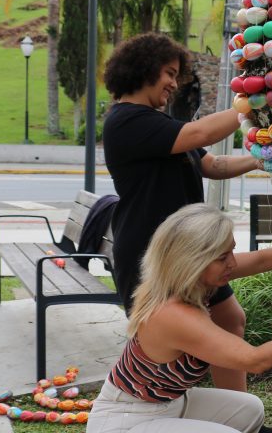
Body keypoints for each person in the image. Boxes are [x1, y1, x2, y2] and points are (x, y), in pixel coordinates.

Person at [87, 204, 272, 433]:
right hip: (126, 421)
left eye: (231, 250)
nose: (232, 261)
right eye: (223, 256)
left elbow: (261, 260)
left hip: (171, 405)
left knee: (250, 409)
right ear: (192, 261)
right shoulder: (172, 314)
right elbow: (256, 360)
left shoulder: (193, 281)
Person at [102, 33, 262, 391]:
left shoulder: (158, 125)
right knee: (164, 353)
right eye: (169, 73)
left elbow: (214, 165)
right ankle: (151, 415)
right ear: (144, 69)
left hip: (187, 253)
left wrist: (264, 158)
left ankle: (240, 417)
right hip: (151, 254)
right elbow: (200, 132)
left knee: (230, 321)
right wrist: (254, 99)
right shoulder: (127, 121)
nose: (174, 84)